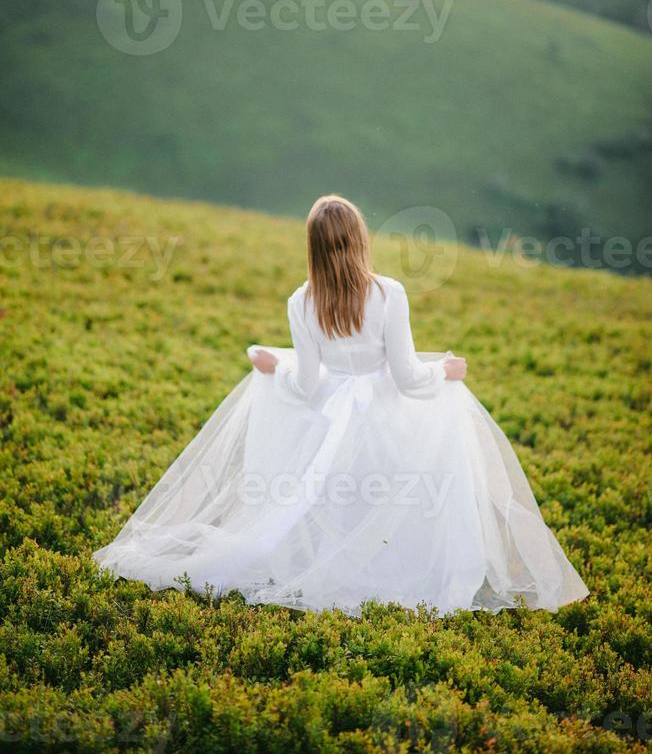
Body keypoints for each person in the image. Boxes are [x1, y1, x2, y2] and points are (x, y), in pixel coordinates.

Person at [93, 194, 589, 618]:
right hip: (389, 418)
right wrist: (446, 372)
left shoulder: (301, 302)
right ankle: (393, 570)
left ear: (311, 246)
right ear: (359, 239)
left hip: (334, 417)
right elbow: (408, 377)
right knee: (396, 493)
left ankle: (335, 566)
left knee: (336, 495)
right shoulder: (387, 293)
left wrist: (276, 367)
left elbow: (308, 385)